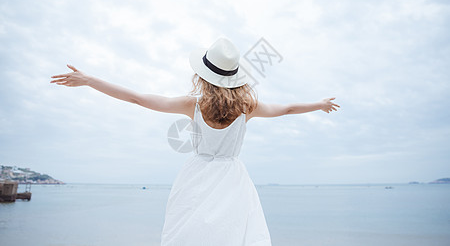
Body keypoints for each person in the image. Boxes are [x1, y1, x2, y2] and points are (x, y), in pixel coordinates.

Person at [50, 37, 340, 246]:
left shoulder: (193, 104)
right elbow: (287, 109)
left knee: (189, 233)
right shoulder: (248, 107)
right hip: (232, 178)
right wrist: (319, 104)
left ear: (204, 74)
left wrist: (89, 80)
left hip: (197, 175)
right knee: (233, 234)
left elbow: (137, 98)